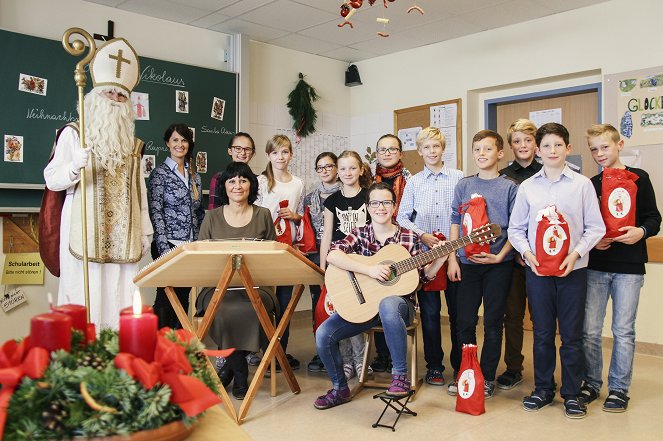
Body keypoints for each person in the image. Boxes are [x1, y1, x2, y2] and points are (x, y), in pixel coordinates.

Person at [43, 38, 152, 330]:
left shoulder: (133, 145)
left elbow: (139, 192)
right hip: (83, 235)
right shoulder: (73, 135)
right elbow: (52, 180)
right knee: (83, 300)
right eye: (110, 93)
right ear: (94, 97)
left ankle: (115, 363)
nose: (116, 100)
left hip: (124, 235)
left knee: (119, 300)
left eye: (121, 96)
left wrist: (146, 230)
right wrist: (73, 167)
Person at [314, 182, 449, 409]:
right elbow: (332, 255)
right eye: (375, 203)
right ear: (368, 207)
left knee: (388, 303)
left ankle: (400, 378)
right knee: (324, 333)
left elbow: (420, 280)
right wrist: (369, 270)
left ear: (394, 207)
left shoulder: (409, 238)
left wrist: (439, 261)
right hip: (365, 307)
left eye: (386, 202)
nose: (381, 208)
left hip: (399, 309)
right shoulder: (359, 234)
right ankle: (340, 388)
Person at [508, 122, 605, 419]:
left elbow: (596, 228)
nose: (552, 150)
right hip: (538, 273)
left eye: (558, 145)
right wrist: (527, 253)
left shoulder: (582, 185)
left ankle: (573, 393)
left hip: (572, 272)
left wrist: (575, 255)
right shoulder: (527, 187)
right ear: (538, 150)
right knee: (542, 333)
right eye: (546, 145)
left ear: (568, 149)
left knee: (572, 336)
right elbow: (516, 229)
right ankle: (543, 389)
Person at [580, 124, 660, 412]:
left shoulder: (640, 178)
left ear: (620, 144)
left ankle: (619, 388)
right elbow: (585, 225)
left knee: (623, 330)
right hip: (597, 266)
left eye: (605, 147)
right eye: (594, 149)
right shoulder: (590, 184)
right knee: (589, 330)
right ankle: (591, 382)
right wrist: (593, 241)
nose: (600, 153)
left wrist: (641, 231)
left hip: (630, 267)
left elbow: (654, 218)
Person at [196, 161, 278, 400]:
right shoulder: (211, 217)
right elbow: (201, 258)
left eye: (243, 180)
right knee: (221, 307)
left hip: (256, 287)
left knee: (254, 306)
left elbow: (272, 257)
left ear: (251, 184)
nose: (237, 185)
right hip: (217, 288)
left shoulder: (263, 215)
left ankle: (231, 367)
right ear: (224, 186)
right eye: (232, 181)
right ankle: (240, 367)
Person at [448, 130, 518, 399]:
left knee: (492, 322)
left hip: (498, 265)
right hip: (467, 264)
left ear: (500, 153)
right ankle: (467, 371)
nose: (481, 154)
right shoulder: (464, 186)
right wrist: (453, 257)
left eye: (487, 149)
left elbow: (517, 228)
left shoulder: (510, 187)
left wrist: (501, 256)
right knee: (464, 320)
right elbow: (455, 220)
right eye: (477, 149)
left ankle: (486, 376)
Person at [397, 127, 464, 389]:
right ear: (420, 150)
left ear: (443, 148)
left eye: (436, 146)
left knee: (459, 314)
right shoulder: (414, 182)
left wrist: (454, 250)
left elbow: (462, 216)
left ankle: (461, 365)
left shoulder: (459, 178)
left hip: (454, 254)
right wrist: (422, 234)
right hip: (426, 258)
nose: (432, 151)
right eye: (426, 147)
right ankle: (434, 365)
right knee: (430, 313)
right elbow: (402, 217)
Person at [496, 119, 541, 390]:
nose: (523, 145)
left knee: (542, 319)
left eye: (528, 140)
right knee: (512, 316)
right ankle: (514, 368)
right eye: (517, 141)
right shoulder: (503, 177)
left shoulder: (547, 172)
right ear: (510, 146)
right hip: (511, 260)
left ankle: (544, 373)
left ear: (536, 144)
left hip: (541, 260)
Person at [319, 150, 373, 380]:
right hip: (338, 264)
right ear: (337, 172)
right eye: (343, 169)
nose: (348, 172)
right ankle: (348, 360)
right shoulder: (332, 201)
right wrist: (323, 268)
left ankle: (362, 360)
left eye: (352, 168)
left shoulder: (370, 197)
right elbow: (327, 235)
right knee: (340, 311)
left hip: (363, 264)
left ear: (361, 169)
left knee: (358, 312)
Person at [147, 123, 204, 329]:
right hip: (168, 244)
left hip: (190, 246)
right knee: (166, 296)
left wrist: (200, 243)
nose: (180, 144)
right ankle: (159, 341)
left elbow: (199, 212)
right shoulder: (159, 174)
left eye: (184, 140)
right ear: (168, 144)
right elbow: (156, 212)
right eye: (175, 140)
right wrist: (164, 250)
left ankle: (179, 344)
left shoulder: (195, 176)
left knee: (183, 296)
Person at [256, 134, 305, 369]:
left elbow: (302, 214)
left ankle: (280, 352)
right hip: (265, 246)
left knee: (285, 303)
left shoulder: (298, 183)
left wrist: (295, 216)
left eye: (284, 152)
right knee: (264, 300)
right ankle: (263, 350)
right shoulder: (261, 182)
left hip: (288, 246)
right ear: (269, 156)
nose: (280, 157)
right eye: (275, 152)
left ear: (291, 155)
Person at [371, 134, 412, 372]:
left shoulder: (409, 179)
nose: (387, 153)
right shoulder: (369, 178)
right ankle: (381, 355)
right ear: (377, 153)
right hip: (374, 240)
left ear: (400, 153)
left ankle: (399, 361)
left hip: (402, 239)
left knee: (394, 295)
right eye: (382, 149)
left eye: (392, 149)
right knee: (376, 290)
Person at [303, 152, 341, 373]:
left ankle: (341, 351)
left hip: (339, 252)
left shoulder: (345, 191)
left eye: (329, 166)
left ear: (337, 168)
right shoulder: (310, 196)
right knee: (319, 302)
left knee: (339, 302)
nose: (325, 170)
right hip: (315, 253)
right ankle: (321, 350)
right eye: (320, 167)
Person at [208, 132, 256, 210]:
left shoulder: (259, 179)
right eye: (238, 148)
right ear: (230, 151)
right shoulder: (218, 178)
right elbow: (213, 214)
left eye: (247, 149)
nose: (243, 153)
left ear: (252, 153)